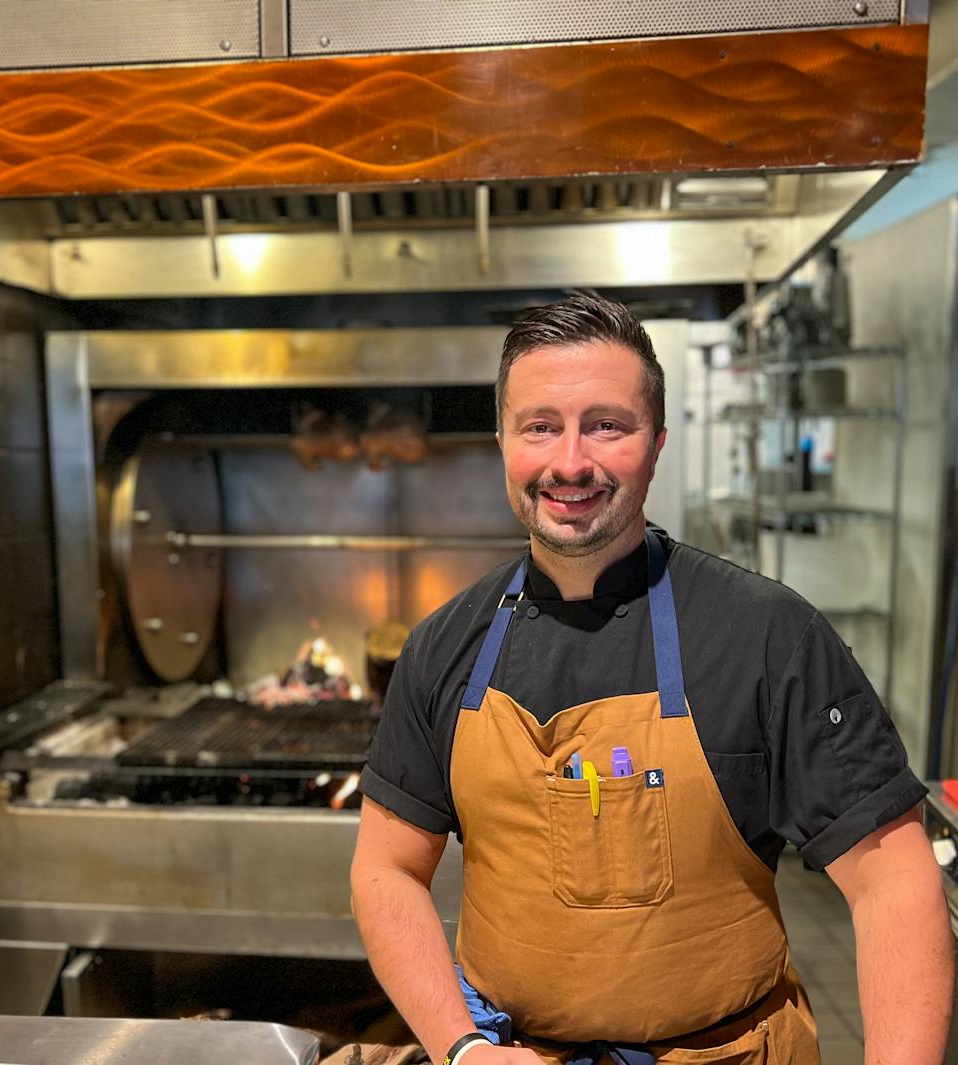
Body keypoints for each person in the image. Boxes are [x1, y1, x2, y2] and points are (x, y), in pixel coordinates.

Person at [350, 294, 953, 1065]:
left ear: (658, 442)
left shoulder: (766, 635)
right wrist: (464, 1047)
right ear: (502, 439)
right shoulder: (444, 648)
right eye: (540, 426)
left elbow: (894, 881)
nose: (570, 461)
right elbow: (386, 870)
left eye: (607, 424)